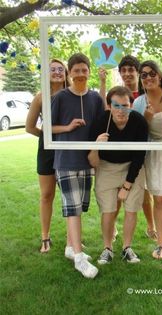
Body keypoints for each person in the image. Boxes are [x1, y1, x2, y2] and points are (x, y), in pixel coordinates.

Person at [51, 53, 104, 279]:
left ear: (88, 72)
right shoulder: (60, 97)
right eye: (76, 70)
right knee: (72, 208)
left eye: (84, 70)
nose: (80, 74)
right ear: (69, 73)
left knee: (79, 207)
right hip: (65, 160)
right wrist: (68, 127)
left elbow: (102, 123)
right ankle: (79, 258)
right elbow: (48, 129)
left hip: (87, 161)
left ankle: (70, 247)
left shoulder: (94, 98)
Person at [88, 86, 148, 264]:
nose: (121, 110)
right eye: (116, 105)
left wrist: (127, 185)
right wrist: (96, 146)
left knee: (131, 209)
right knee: (108, 210)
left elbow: (139, 157)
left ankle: (127, 247)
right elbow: (93, 161)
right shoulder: (101, 121)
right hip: (106, 167)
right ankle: (107, 248)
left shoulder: (139, 121)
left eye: (125, 105)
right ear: (109, 106)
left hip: (132, 167)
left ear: (131, 105)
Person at [99, 55, 156, 240]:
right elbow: (105, 113)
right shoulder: (117, 95)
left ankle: (151, 226)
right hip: (119, 155)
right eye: (123, 70)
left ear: (137, 73)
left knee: (143, 192)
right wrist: (102, 82)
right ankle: (112, 227)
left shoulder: (143, 95)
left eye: (131, 70)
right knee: (115, 193)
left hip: (141, 150)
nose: (127, 73)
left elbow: (143, 125)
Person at [133, 60, 162, 259]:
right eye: (143, 75)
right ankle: (161, 243)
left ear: (160, 75)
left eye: (152, 73)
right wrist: (145, 118)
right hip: (154, 154)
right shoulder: (139, 102)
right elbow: (135, 133)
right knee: (159, 200)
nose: (148, 77)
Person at [26, 58, 69, 253]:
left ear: (66, 73)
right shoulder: (40, 97)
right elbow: (29, 127)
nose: (57, 72)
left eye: (61, 69)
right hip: (47, 151)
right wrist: (47, 137)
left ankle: (72, 238)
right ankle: (45, 238)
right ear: (46, 73)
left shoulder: (72, 95)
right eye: (53, 69)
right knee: (46, 195)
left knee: (69, 195)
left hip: (68, 149)